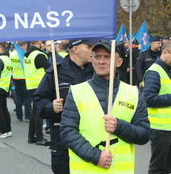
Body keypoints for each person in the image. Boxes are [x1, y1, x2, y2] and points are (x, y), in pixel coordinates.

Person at [60, 40, 151, 173]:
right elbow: (67, 131)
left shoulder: (133, 93)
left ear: (118, 62)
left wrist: (119, 127)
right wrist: (96, 156)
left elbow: (144, 134)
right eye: (97, 57)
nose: (101, 61)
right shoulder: (77, 92)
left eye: (107, 57)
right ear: (92, 60)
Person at [34, 39, 98, 174]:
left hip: (93, 141)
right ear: (75, 49)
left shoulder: (97, 71)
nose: (93, 50)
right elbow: (38, 101)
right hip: (63, 143)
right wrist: (51, 107)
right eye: (89, 47)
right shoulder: (56, 73)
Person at [143, 41, 171, 174]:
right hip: (160, 129)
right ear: (165, 52)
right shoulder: (154, 71)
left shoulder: (168, 70)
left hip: (168, 128)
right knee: (158, 168)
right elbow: (148, 99)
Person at [25, 40, 50, 145]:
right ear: (39, 42)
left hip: (31, 85)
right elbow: (49, 68)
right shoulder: (39, 55)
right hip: (39, 86)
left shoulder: (28, 54)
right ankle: (39, 137)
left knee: (34, 112)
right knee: (39, 111)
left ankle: (31, 136)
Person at [10, 41, 30, 122]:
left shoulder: (12, 54)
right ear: (23, 45)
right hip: (25, 78)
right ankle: (27, 116)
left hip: (16, 77)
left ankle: (19, 116)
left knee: (18, 97)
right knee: (27, 98)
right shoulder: (24, 54)